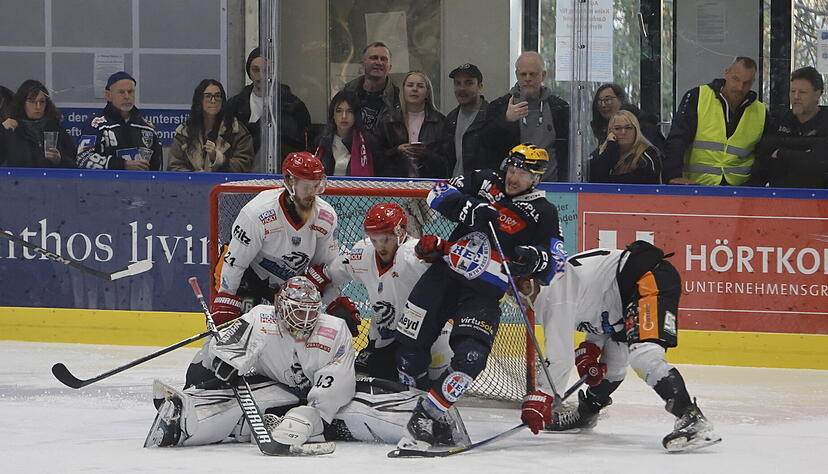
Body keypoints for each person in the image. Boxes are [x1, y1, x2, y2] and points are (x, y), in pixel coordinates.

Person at [145, 275, 469, 449]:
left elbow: (338, 378)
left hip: (328, 401)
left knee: (368, 403)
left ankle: (429, 422)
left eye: (312, 312)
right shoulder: (260, 318)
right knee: (231, 401)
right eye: (298, 311)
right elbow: (218, 350)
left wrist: (311, 414)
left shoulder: (333, 328)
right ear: (280, 307)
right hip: (274, 389)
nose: (306, 319)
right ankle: (183, 419)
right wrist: (221, 363)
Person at [394, 143, 567, 451]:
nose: (513, 178)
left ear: (536, 179)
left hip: (484, 291)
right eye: (512, 170)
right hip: (444, 274)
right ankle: (412, 410)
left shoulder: (544, 212)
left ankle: (430, 412)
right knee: (409, 347)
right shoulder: (485, 180)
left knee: (470, 359)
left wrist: (532, 259)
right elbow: (437, 193)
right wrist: (469, 208)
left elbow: (555, 262)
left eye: (523, 174)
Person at [518, 241, 722, 453]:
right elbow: (600, 303)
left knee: (644, 355)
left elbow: (560, 356)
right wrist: (591, 347)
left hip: (647, 280)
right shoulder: (561, 283)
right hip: (624, 301)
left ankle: (692, 417)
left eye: (515, 294)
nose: (518, 302)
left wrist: (543, 395)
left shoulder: (553, 294)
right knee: (613, 365)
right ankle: (587, 412)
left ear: (526, 284)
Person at [305, 202, 453, 382]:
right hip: (385, 339)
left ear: (400, 233)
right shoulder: (363, 253)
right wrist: (333, 301)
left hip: (431, 337)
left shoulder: (416, 256)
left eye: (385, 239)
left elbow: (458, 275)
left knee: (429, 388)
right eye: (374, 240)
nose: (380, 247)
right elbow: (324, 275)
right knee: (360, 380)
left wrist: (443, 253)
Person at [210, 152, 340, 326]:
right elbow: (236, 261)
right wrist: (226, 296)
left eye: (316, 186)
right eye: (306, 186)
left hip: (291, 284)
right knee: (234, 333)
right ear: (289, 181)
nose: (312, 193)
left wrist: (334, 303)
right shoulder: (258, 212)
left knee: (294, 336)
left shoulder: (325, 217)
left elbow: (325, 268)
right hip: (250, 275)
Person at [663, 57, 766, 185]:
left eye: (747, 83)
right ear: (726, 73)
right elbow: (677, 138)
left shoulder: (760, 111)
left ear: (753, 82)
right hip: (696, 187)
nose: (740, 88)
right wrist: (672, 176)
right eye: (736, 79)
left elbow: (763, 155)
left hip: (740, 192)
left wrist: (755, 187)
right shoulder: (698, 97)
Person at [485, 51, 569, 181]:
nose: (528, 78)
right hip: (511, 186)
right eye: (523, 74)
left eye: (533, 74)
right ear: (517, 75)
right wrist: (506, 120)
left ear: (543, 75)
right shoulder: (500, 106)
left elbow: (566, 151)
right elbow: (486, 146)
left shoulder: (559, 108)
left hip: (552, 186)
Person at [748, 66, 828, 188]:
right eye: (792, 91)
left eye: (802, 92)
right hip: (781, 198)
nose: (796, 97)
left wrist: (781, 153)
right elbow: (763, 159)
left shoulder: (825, 122)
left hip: (819, 200)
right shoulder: (779, 120)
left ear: (817, 94)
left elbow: (820, 162)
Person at [226, 48, 311, 161]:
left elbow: (299, 142)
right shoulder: (234, 105)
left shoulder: (292, 106)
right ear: (249, 72)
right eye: (256, 70)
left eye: (266, 70)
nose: (260, 75)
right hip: (243, 167)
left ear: (273, 72)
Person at [76, 71, 162, 171]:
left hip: (141, 185)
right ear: (109, 95)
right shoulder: (95, 125)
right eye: (121, 92)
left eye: (130, 92)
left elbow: (157, 167)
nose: (126, 96)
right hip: (105, 185)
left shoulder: (147, 127)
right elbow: (82, 159)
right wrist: (122, 165)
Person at [371, 70, 449, 178]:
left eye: (420, 86)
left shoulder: (440, 121)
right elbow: (375, 156)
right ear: (403, 90)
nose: (414, 89)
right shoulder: (388, 119)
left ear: (427, 93)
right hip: (395, 184)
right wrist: (397, 151)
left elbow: (448, 162)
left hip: (429, 185)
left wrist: (426, 154)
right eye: (410, 85)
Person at [167, 79, 254, 172]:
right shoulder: (185, 132)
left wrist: (218, 158)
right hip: (190, 186)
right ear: (199, 100)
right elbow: (174, 166)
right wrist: (194, 177)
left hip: (224, 185)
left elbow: (244, 165)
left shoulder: (237, 132)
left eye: (217, 96)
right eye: (208, 96)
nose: (213, 100)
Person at [0, 80, 76, 168]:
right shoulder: (11, 130)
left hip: (51, 181)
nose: (38, 107)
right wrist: (1, 131)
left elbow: (76, 167)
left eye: (42, 101)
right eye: (32, 102)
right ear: (22, 103)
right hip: (17, 180)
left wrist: (60, 160)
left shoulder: (57, 131)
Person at [444, 63, 498, 177]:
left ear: (480, 86)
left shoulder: (493, 117)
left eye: (469, 83)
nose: (462, 88)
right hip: (455, 187)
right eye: (458, 83)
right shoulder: (450, 119)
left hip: (481, 189)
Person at [312, 90, 376, 176]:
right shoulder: (321, 142)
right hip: (325, 189)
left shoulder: (368, 142)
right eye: (339, 111)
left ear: (356, 115)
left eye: (349, 111)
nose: (344, 116)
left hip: (357, 189)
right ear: (333, 115)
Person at [589, 110, 662, 184]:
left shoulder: (649, 153)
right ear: (610, 131)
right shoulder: (602, 151)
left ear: (636, 130)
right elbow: (594, 178)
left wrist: (605, 180)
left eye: (628, 128)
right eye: (617, 128)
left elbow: (637, 181)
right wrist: (610, 148)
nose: (623, 132)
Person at [343, 42, 400, 132]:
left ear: (390, 67)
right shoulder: (348, 92)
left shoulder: (398, 98)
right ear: (362, 64)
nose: (379, 62)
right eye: (374, 58)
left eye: (384, 59)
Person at [590, 83, 665, 151]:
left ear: (621, 100)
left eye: (608, 100)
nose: (603, 105)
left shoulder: (646, 129)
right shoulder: (603, 130)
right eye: (599, 101)